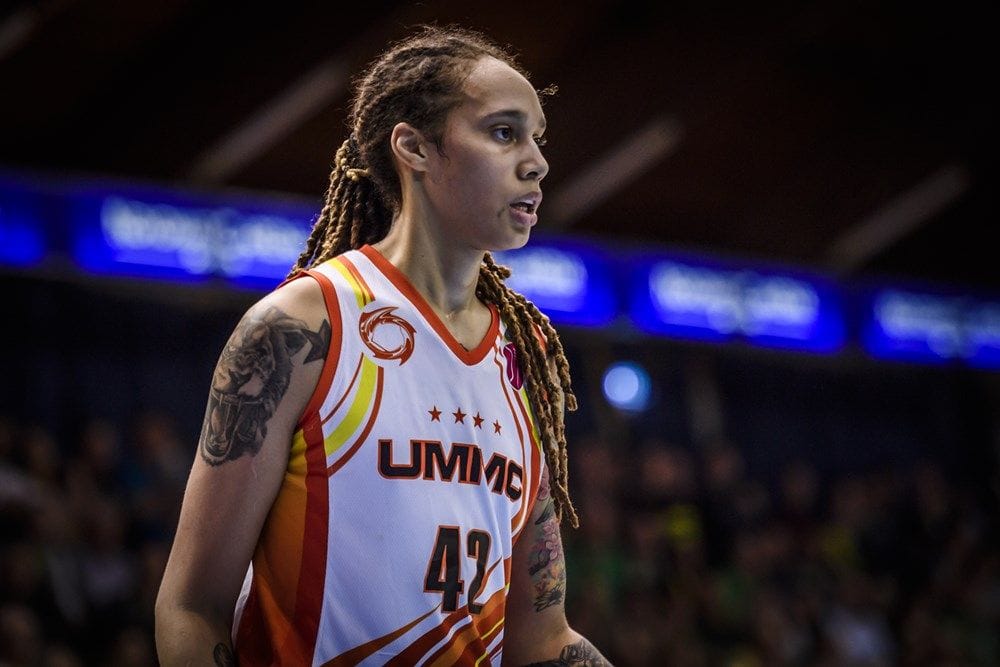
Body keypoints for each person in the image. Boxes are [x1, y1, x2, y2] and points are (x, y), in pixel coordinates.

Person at [155, 25, 611, 666]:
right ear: (415, 147)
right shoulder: (304, 325)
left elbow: (542, 638)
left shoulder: (526, 354)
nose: (536, 161)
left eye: (537, 138)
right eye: (504, 132)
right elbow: (191, 607)